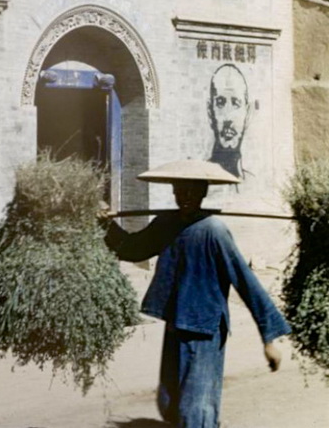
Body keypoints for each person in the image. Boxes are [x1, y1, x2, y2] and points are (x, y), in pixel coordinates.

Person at [102, 159, 290, 428]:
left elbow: (246, 282)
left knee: (197, 407)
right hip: (176, 322)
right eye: (180, 191)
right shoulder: (165, 224)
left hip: (205, 327)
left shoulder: (214, 231)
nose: (186, 197)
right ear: (173, 192)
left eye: (193, 191)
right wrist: (105, 226)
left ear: (203, 193)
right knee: (170, 401)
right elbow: (133, 249)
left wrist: (269, 339)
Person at [208, 64, 250, 178]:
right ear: (210, 112)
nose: (228, 117)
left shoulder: (254, 181)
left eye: (236, 104)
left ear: (247, 114)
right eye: (220, 103)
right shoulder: (201, 180)